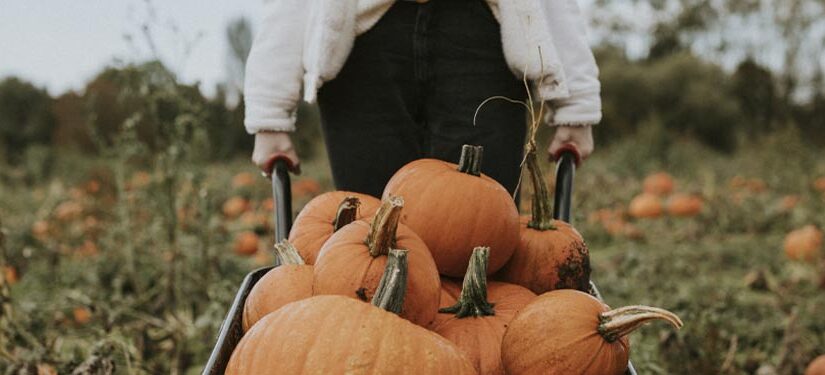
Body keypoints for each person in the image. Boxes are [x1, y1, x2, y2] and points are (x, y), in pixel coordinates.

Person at [245, 0, 600, 198]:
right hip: (365, 46)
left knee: (480, 226)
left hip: (481, 37)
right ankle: (376, 330)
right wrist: (269, 112)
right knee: (370, 226)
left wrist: (577, 105)